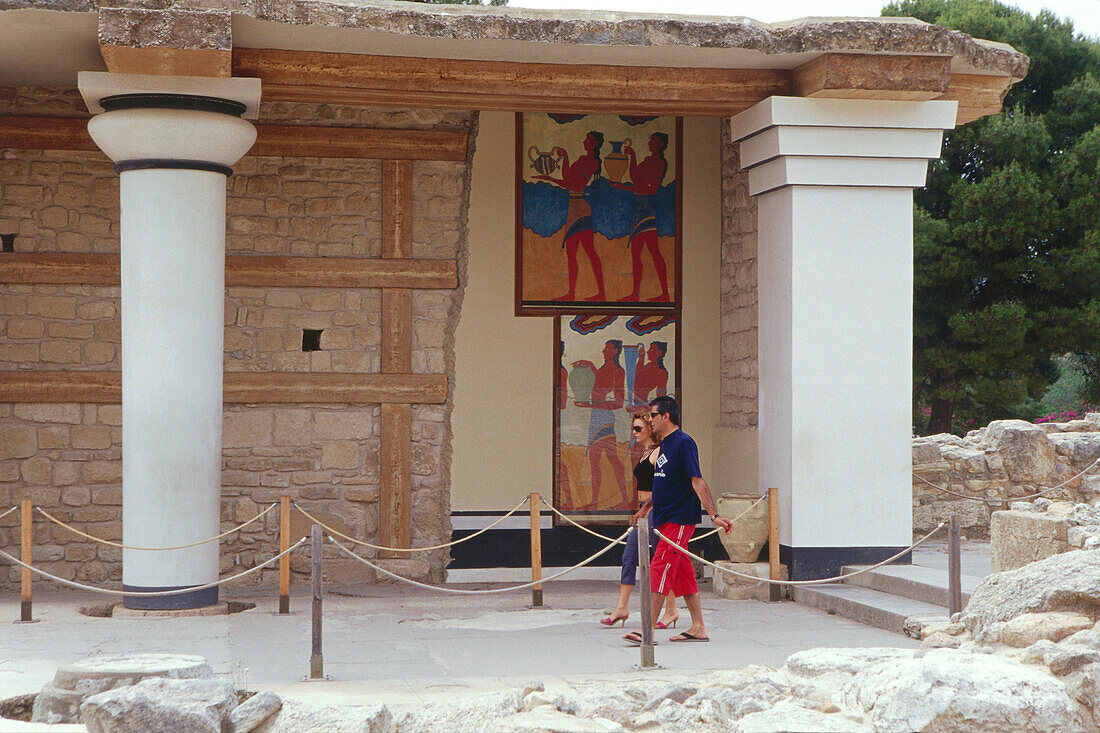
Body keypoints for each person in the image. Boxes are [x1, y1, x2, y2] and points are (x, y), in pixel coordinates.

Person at [624, 395, 732, 644]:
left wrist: (713, 515)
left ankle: (647, 629)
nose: (649, 420)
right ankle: (698, 626)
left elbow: (696, 480)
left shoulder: (684, 443)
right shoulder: (665, 444)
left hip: (679, 519)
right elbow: (664, 483)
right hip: (663, 517)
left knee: (659, 568)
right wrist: (646, 508)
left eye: (653, 415)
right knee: (683, 574)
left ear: (666, 416)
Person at [600, 409, 678, 628]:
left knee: (660, 561)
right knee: (629, 556)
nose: (634, 432)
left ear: (649, 429)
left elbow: (665, 485)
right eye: (633, 428)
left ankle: (671, 609)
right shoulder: (645, 452)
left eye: (638, 428)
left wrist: (648, 507)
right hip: (643, 510)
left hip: (655, 510)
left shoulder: (658, 452)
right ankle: (622, 607)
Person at [533, 131, 608, 302]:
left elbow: (575, 184)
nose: (584, 141)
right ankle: (571, 293)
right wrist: (565, 157)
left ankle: (601, 293)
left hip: (581, 207)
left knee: (589, 251)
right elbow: (567, 177)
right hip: (573, 205)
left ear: (595, 143)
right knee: (571, 251)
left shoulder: (592, 162)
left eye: (588, 139)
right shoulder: (582, 159)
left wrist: (549, 178)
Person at [610, 132, 671, 303]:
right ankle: (635, 293)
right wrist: (633, 157)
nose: (650, 143)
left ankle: (665, 294)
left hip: (647, 209)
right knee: (636, 252)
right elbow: (636, 178)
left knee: (653, 251)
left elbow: (651, 189)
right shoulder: (647, 161)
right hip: (638, 208)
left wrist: (626, 188)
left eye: (653, 141)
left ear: (660, 144)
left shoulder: (659, 163)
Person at [572, 339, 627, 508]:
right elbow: (596, 386)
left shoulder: (618, 371)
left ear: (615, 351)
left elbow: (618, 403)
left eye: (608, 348)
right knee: (594, 460)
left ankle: (625, 499)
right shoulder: (602, 370)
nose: (604, 351)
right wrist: (590, 366)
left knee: (612, 459)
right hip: (596, 417)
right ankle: (595, 501)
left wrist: (589, 405)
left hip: (605, 419)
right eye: (604, 347)